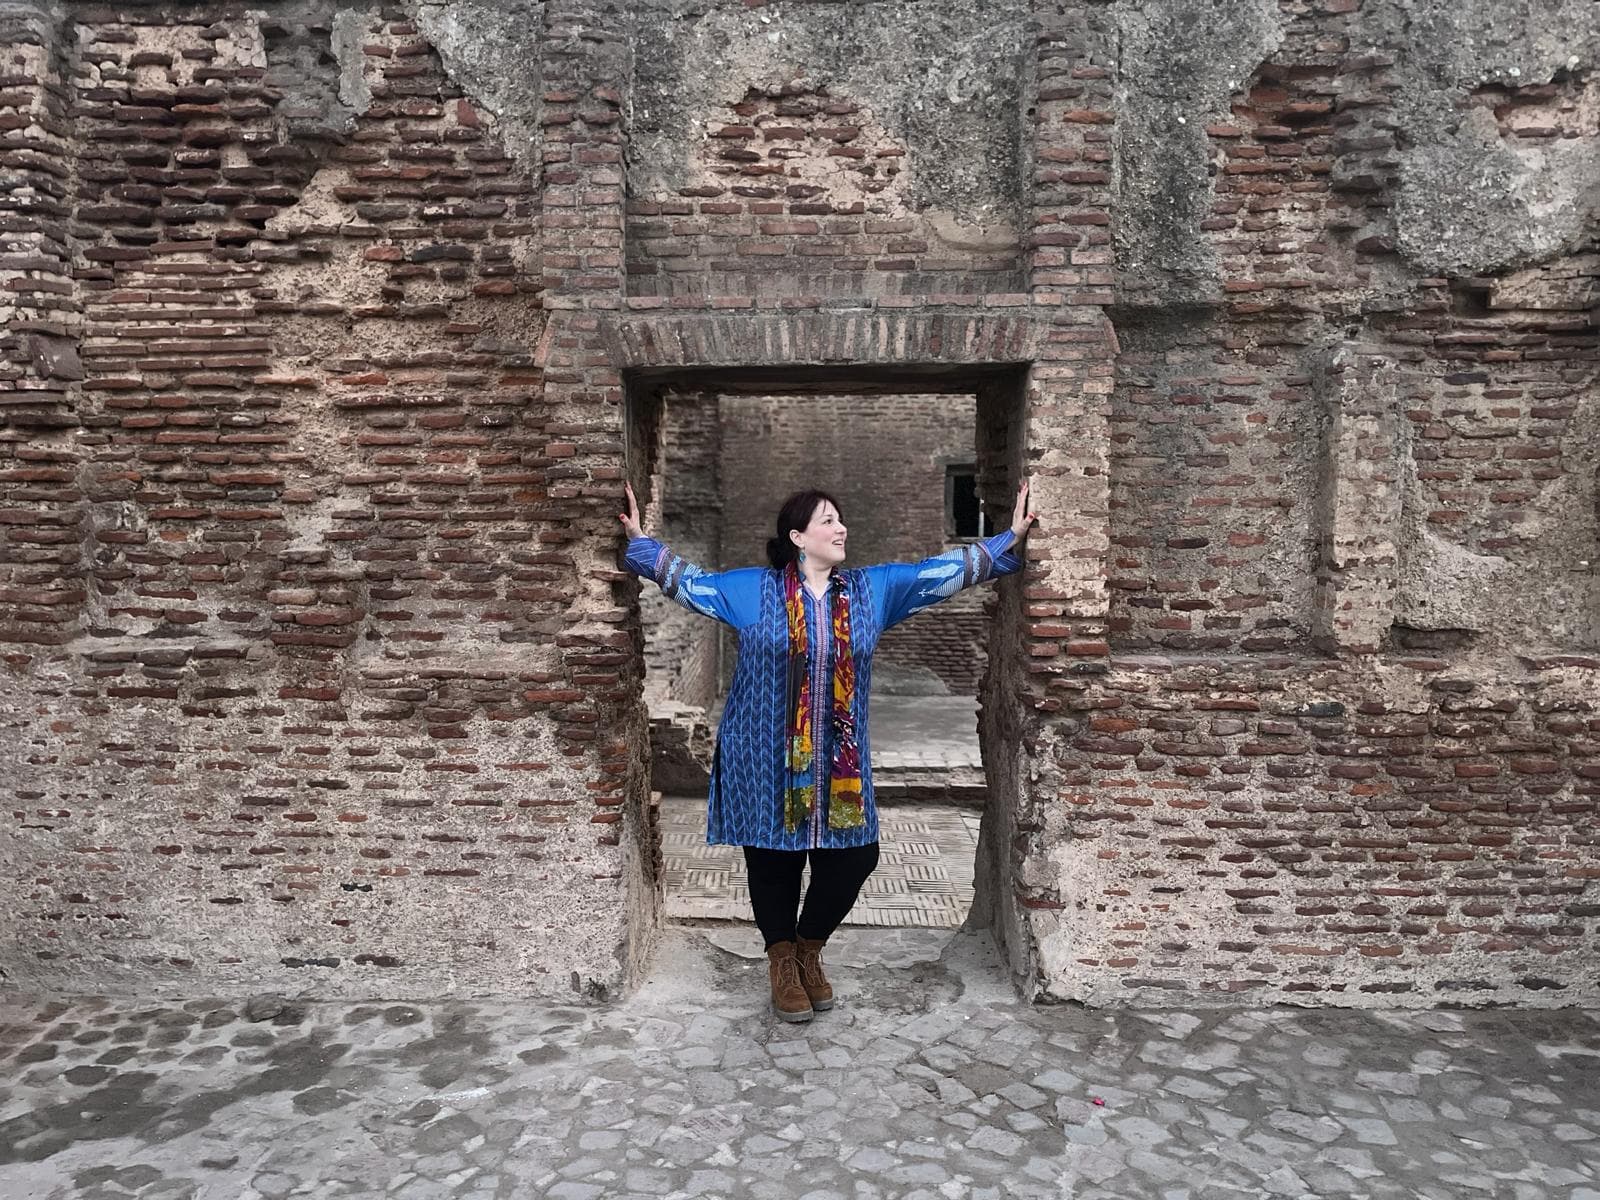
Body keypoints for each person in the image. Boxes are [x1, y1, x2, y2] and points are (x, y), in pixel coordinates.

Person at [620, 479, 1037, 1022]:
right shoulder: (753, 590)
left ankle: (808, 949)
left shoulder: (872, 591)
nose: (840, 528)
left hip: (838, 759)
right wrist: (639, 540)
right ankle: (781, 964)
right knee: (775, 860)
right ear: (798, 537)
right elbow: (687, 581)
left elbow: (938, 575)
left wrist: (1009, 537)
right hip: (762, 750)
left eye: (840, 520)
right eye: (826, 521)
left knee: (855, 858)